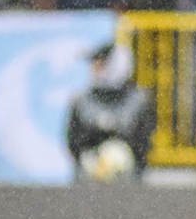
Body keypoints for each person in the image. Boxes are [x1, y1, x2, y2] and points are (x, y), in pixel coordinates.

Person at [66, 41, 155, 183]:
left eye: (100, 63)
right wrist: (95, 158)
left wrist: (119, 154)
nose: (94, 69)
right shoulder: (82, 101)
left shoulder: (139, 101)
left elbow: (143, 146)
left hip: (127, 189)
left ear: (115, 65)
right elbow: (74, 143)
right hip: (88, 188)